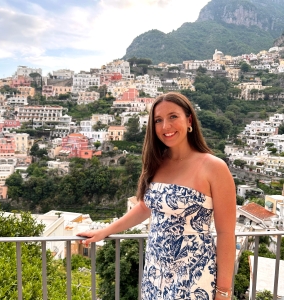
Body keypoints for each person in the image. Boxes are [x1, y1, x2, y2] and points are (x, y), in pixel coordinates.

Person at [77, 92, 236, 299]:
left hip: (193, 275)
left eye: (173, 117)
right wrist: (105, 231)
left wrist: (223, 291)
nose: (165, 127)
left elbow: (225, 233)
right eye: (158, 120)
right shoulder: (156, 162)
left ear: (189, 120)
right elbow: (145, 207)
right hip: (155, 271)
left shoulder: (214, 167)